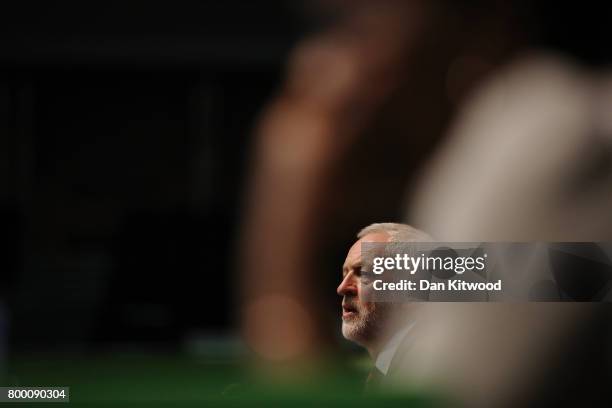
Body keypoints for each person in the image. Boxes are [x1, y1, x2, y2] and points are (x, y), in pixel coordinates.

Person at [337, 222, 430, 389]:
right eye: (345, 274)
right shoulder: (392, 369)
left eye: (363, 273)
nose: (342, 288)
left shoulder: (425, 367)